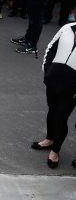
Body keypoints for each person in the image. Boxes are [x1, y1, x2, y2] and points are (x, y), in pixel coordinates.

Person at [31, 22, 76, 169]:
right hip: (54, 80)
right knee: (52, 111)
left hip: (72, 88)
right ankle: (49, 139)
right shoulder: (67, 28)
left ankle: (55, 150)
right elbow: (51, 47)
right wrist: (47, 71)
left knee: (61, 118)